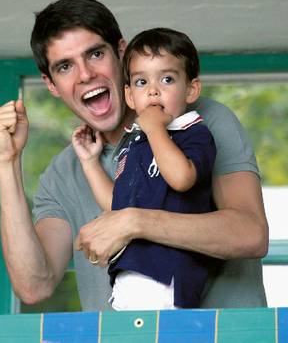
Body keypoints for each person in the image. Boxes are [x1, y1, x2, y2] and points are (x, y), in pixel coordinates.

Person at [0, 0, 268, 312]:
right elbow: (33, 286)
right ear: (51, 84)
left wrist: (135, 222)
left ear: (121, 52)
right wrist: (6, 162)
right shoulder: (64, 173)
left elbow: (251, 234)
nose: (85, 75)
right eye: (65, 66)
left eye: (95, 54)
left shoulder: (204, 122)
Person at [72, 27, 219, 310]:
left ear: (191, 89)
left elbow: (182, 178)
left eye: (167, 79)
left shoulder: (193, 132)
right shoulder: (135, 142)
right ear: (129, 96)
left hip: (165, 275)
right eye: (141, 82)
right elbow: (119, 203)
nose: (153, 90)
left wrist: (154, 129)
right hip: (128, 274)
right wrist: (90, 162)